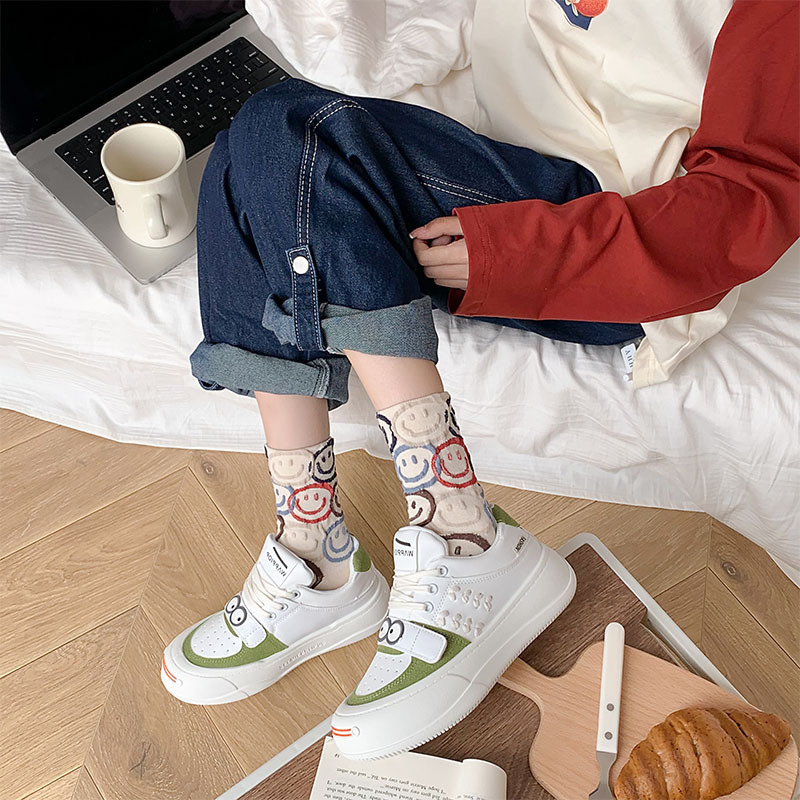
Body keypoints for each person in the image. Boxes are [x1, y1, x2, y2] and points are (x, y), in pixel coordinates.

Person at [160, 0, 798, 759]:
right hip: (496, 161)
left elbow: (748, 202)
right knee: (250, 146)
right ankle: (315, 548)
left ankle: (461, 533)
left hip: (624, 236)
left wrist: (523, 249)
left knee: (297, 131)